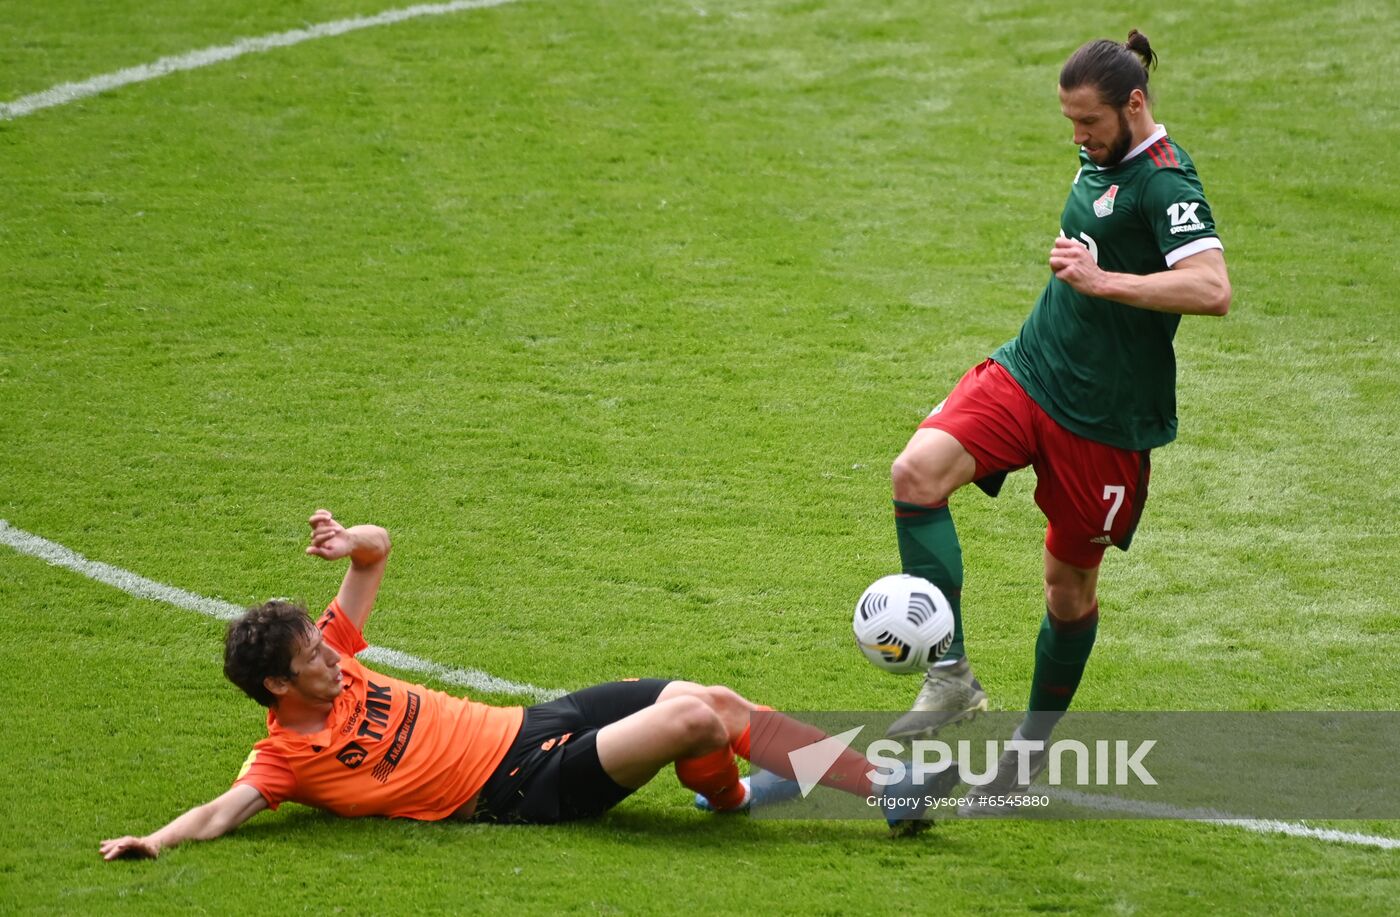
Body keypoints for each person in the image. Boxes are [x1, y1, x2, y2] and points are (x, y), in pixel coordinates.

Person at [101, 511, 936, 861]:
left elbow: (376, 550)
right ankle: (740, 796)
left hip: (532, 721)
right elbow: (220, 811)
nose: (331, 651)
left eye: (324, 639)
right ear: (281, 683)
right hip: (522, 786)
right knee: (693, 719)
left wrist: (345, 536)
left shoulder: (340, 659)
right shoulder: (286, 756)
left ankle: (863, 793)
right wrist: (154, 840)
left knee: (715, 700)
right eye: (312, 654)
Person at [885, 31, 1230, 796]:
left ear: (1134, 105)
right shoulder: (1102, 154)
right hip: (1031, 368)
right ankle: (949, 676)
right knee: (915, 474)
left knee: (1067, 591)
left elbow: (1213, 289)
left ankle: (1028, 754)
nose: (1077, 138)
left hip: (1104, 423)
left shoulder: (1167, 185)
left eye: (1088, 124)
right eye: (1070, 122)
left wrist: (1105, 280)